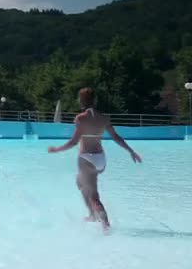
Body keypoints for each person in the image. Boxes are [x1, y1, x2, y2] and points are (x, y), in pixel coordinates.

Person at [48, 88, 141, 233]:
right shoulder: (104, 118)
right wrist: (131, 151)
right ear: (94, 100)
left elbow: (74, 142)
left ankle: (106, 225)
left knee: (93, 195)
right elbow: (116, 137)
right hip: (100, 159)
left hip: (86, 158)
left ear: (81, 100)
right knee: (80, 182)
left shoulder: (81, 118)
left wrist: (56, 149)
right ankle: (92, 215)